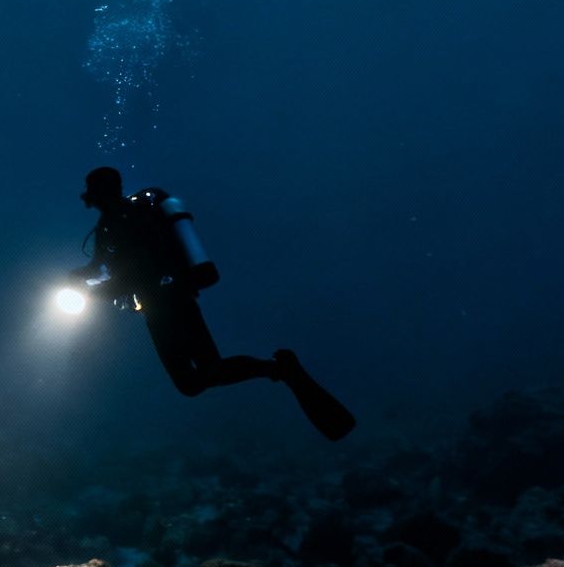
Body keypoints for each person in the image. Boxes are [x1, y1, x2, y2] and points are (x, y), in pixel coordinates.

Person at [69, 166, 356, 441]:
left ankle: (280, 368)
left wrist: (93, 292)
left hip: (174, 301)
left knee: (209, 371)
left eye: (92, 189)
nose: (88, 196)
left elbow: (135, 276)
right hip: (155, 310)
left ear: (104, 190)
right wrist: (75, 278)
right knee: (192, 384)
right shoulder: (107, 227)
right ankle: (277, 369)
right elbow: (99, 266)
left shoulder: (132, 221)